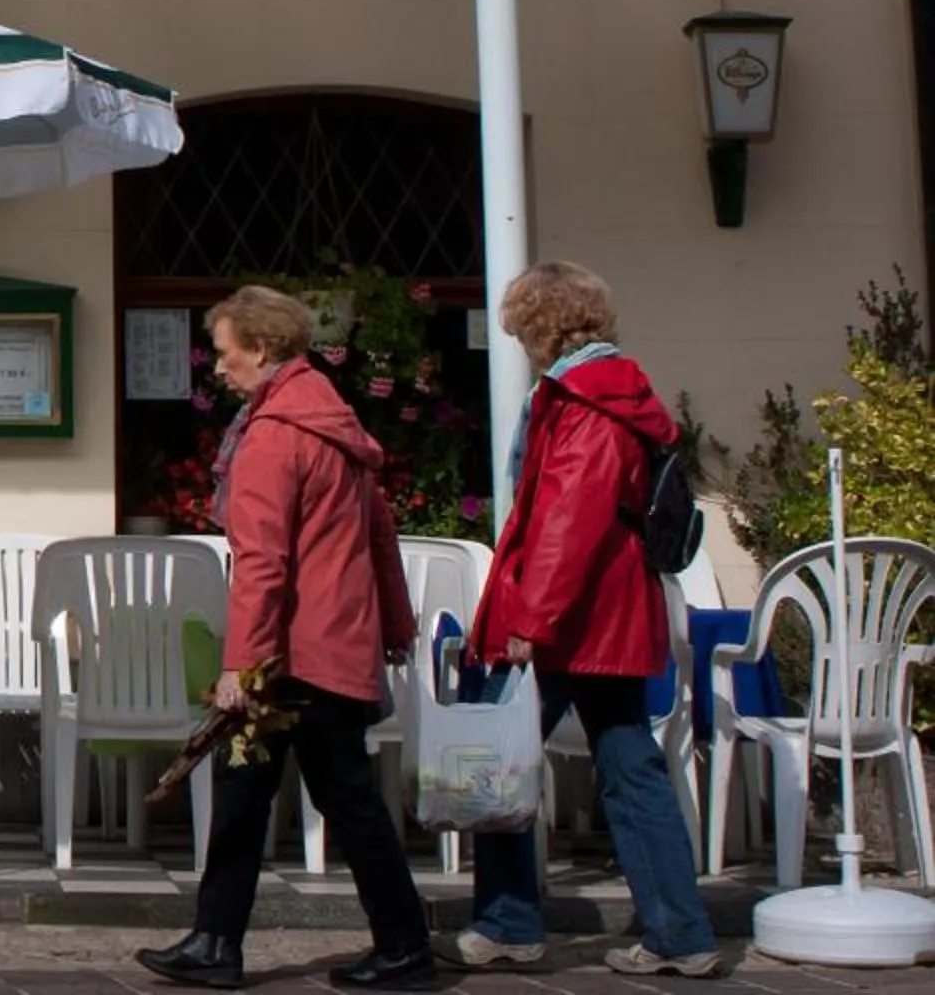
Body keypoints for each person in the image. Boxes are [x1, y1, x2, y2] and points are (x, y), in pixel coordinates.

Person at [138, 286, 436, 993]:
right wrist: (392, 625)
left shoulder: (274, 435)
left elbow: (262, 562)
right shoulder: (333, 420)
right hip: (336, 640)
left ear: (262, 348)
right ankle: (217, 939)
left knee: (340, 796)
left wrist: (242, 662)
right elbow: (380, 536)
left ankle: (402, 946)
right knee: (250, 786)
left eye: (224, 350)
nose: (219, 365)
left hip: (295, 652)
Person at [455, 261, 720, 978]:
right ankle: (678, 932)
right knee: (630, 764)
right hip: (607, 614)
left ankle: (511, 923)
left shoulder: (584, 401)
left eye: (519, 330)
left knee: (498, 764)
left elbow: (567, 520)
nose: (517, 343)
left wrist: (529, 620)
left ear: (542, 327)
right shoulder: (615, 393)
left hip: (568, 620)